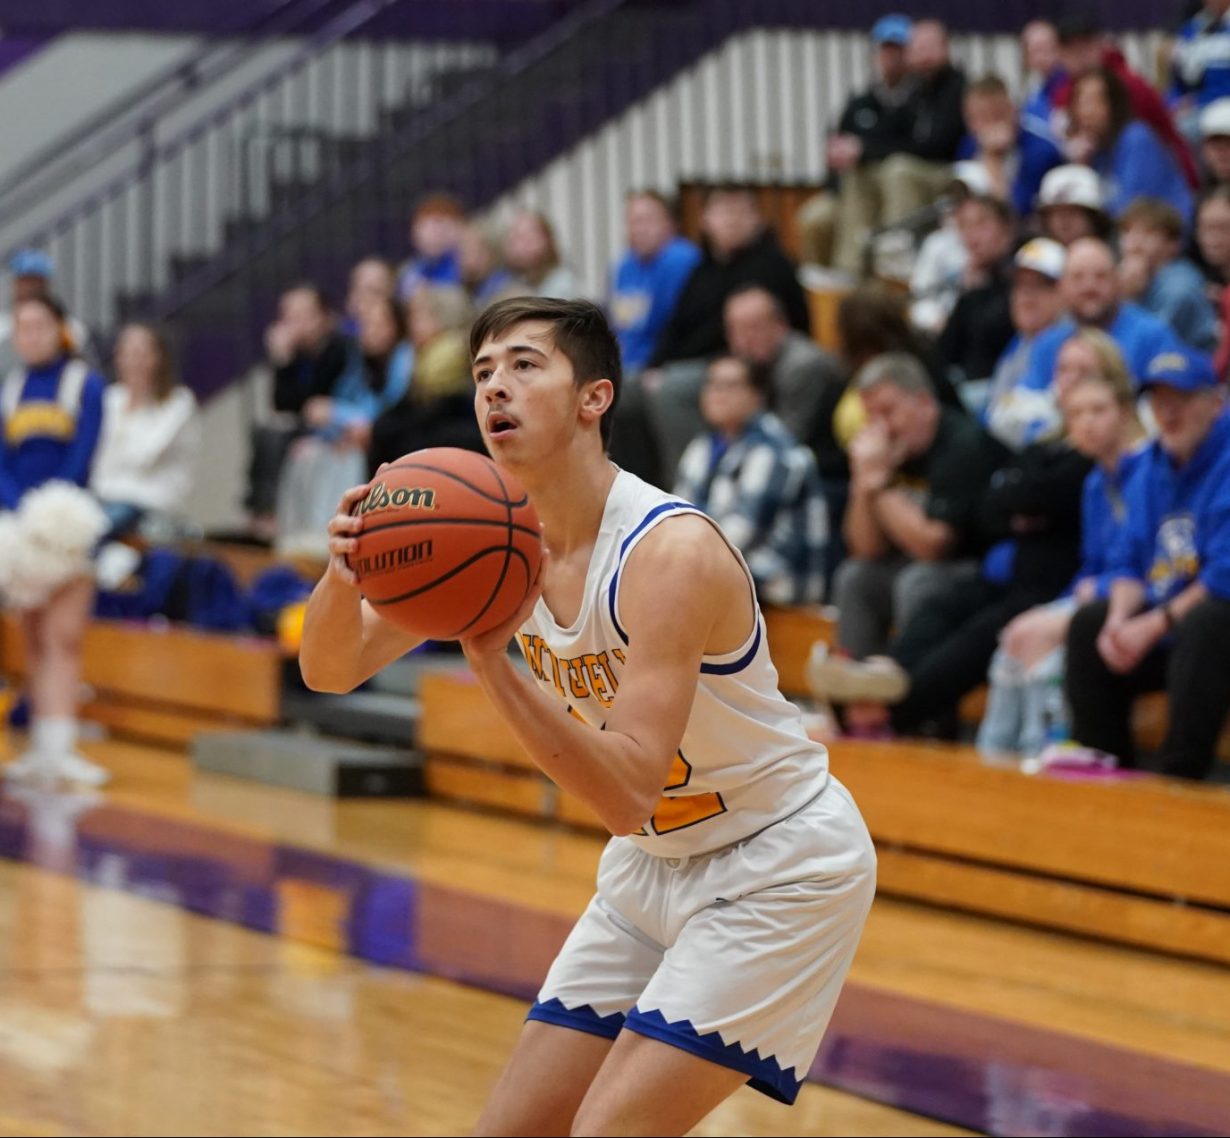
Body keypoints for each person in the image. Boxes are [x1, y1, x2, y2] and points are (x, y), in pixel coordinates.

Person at [298, 296, 876, 1134]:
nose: (494, 387)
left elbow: (628, 793)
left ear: (593, 397)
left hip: (776, 862)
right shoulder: (489, 539)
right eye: (483, 372)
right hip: (651, 866)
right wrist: (343, 572)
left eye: (524, 365)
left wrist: (491, 664)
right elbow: (329, 669)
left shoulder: (668, 552)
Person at [977, 333, 1147, 757]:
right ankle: (995, 756)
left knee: (1034, 639)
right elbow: (1091, 562)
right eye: (1077, 414)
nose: (1087, 423)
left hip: (1135, 597)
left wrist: (1093, 590)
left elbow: (1144, 561)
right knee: (1014, 635)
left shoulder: (1146, 469)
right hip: (1094, 592)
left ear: (1125, 413)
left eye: (1098, 411)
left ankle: (1039, 754)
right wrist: (1075, 595)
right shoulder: (1095, 482)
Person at [1065, 346, 1230, 780]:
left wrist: (1154, 624)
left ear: (1216, 404)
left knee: (1207, 624)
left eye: (1182, 400)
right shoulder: (1152, 464)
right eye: (1159, 401)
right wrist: (1119, 621)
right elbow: (1127, 559)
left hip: (1211, 627)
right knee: (1089, 624)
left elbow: (1223, 576)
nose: (1168, 413)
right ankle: (1104, 770)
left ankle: (1178, 781)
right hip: (1170, 623)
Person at [829, 352, 1004, 667]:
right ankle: (856, 687)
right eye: (871, 417)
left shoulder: (962, 445)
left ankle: (909, 686)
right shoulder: (889, 451)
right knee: (855, 577)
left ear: (924, 403)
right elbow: (865, 549)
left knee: (917, 581)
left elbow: (934, 547)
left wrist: (881, 483)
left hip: (979, 568)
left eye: (888, 412)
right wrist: (864, 484)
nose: (881, 427)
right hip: (921, 566)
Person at [1, 295, 108, 787]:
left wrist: (52, 512)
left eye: (40, 325)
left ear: (62, 329)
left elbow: (83, 455)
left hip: (69, 525)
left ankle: (61, 750)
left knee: (63, 637)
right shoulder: (11, 387)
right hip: (20, 530)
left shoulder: (85, 383)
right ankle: (41, 751)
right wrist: (22, 513)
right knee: (32, 638)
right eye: (22, 327)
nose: (31, 335)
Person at [644, 186, 810, 480]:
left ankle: (688, 484)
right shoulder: (702, 268)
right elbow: (675, 325)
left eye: (740, 211)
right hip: (698, 361)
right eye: (723, 211)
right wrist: (654, 365)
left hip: (743, 360)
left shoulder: (772, 264)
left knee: (673, 389)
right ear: (705, 220)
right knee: (627, 390)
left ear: (758, 219)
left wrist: (669, 369)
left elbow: (736, 336)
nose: (732, 220)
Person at [673, 355, 827, 605]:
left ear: (757, 395)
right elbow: (677, 518)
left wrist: (679, 559)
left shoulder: (774, 450)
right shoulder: (703, 447)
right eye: (712, 384)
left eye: (730, 385)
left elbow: (742, 535)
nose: (717, 394)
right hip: (724, 570)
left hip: (778, 582)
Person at [1018, 237, 1184, 393]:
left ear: (1118, 281)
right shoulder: (1047, 344)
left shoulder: (1152, 336)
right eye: (1077, 278)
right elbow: (1027, 402)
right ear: (1062, 287)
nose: (1089, 287)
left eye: (1101, 276)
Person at [90, 322, 201, 537]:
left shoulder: (178, 403)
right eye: (126, 353)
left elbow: (143, 456)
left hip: (150, 503)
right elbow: (97, 461)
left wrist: (135, 405)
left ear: (159, 357)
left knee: (95, 531)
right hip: (103, 498)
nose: (134, 362)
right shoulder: (111, 399)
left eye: (141, 353)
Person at [1068, 68, 1194, 229]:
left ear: (1115, 104)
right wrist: (1081, 167)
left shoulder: (1136, 138)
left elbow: (1130, 208)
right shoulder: (1094, 149)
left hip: (1165, 230)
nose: (1086, 112)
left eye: (1095, 101)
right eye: (1080, 102)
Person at [722, 285, 842, 446]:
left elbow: (788, 437)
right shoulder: (755, 366)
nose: (743, 340)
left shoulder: (801, 365)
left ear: (780, 324)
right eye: (735, 331)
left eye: (753, 328)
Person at [983, 238, 1069, 450]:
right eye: (1020, 286)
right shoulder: (1019, 343)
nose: (1026, 295)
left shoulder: (1070, 343)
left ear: (1064, 291)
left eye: (1040, 285)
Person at [936, 193, 1020, 397]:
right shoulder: (973, 283)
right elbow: (947, 352)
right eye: (964, 227)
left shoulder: (1024, 275)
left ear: (1007, 229)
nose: (972, 236)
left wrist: (976, 291)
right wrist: (968, 292)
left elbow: (997, 336)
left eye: (981, 224)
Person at [1117, 197, 1218, 351]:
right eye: (1127, 231)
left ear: (1173, 245)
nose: (1135, 241)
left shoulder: (1179, 286)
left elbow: (1147, 347)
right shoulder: (1134, 277)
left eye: (1148, 232)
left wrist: (1128, 297)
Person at [958, 74, 1064, 217]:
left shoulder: (1041, 151)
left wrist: (993, 161)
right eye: (981, 118)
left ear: (1013, 110)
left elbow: (1015, 213)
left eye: (997, 115)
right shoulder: (969, 144)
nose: (991, 125)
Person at [0, 249, 94, 376]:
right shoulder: (2, 327)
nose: (29, 288)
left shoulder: (71, 329)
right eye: (24, 280)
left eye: (35, 281)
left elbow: (82, 368)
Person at [396, 193, 465, 301]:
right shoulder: (408, 271)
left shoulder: (465, 264)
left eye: (444, 224)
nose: (438, 232)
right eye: (429, 225)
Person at [502, 210, 583, 299]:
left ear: (547, 240)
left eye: (527, 237)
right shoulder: (517, 282)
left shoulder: (563, 285)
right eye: (513, 239)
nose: (518, 247)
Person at [1035, 164, 1113, 246]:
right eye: (1057, 213)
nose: (1065, 220)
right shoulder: (1036, 250)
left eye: (1073, 212)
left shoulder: (1112, 250)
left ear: (1094, 218)